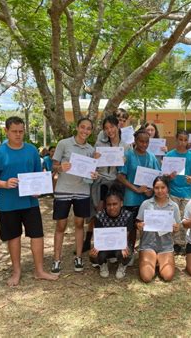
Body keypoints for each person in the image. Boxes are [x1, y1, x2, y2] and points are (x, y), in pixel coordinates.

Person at [0, 116, 57, 286]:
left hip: (30, 203)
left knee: (37, 235)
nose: (18, 135)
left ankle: (39, 271)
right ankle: (16, 271)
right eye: (14, 131)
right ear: (6, 131)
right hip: (8, 203)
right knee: (14, 237)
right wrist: (4, 183)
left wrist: (38, 190)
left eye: (21, 131)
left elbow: (38, 175)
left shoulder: (32, 150)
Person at [50, 117, 98, 275]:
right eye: (82, 127)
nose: (85, 131)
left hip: (82, 191)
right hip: (63, 190)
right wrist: (60, 168)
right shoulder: (64, 144)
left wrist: (94, 174)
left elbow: (90, 172)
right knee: (61, 226)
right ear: (77, 127)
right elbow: (54, 166)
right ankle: (57, 259)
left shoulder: (91, 150)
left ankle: (78, 257)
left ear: (91, 131)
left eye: (88, 128)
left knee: (79, 224)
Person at [83, 115, 130, 254]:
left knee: (114, 212)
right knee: (98, 211)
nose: (110, 130)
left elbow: (126, 169)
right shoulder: (100, 145)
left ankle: (115, 243)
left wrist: (124, 161)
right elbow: (92, 166)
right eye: (106, 128)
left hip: (117, 183)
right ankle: (91, 241)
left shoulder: (126, 146)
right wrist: (95, 159)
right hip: (101, 181)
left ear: (118, 126)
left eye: (112, 127)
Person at [117, 128, 161, 261]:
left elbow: (158, 176)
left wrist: (151, 190)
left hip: (147, 198)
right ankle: (129, 251)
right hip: (131, 198)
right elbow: (120, 176)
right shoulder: (128, 155)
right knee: (131, 227)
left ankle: (146, 251)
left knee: (147, 226)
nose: (144, 144)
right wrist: (136, 189)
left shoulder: (152, 157)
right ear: (135, 141)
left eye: (146, 142)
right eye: (141, 141)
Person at [136, 176, 181, 283]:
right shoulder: (146, 204)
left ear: (168, 188)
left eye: (163, 187)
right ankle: (152, 259)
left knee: (168, 276)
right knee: (146, 277)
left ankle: (158, 260)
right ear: (153, 188)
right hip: (148, 244)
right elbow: (137, 222)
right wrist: (139, 225)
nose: (160, 191)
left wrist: (176, 228)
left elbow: (177, 227)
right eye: (156, 188)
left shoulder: (173, 206)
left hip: (165, 245)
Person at [89, 185, 134, 279]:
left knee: (127, 252)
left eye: (115, 204)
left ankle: (122, 265)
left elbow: (126, 236)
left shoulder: (128, 215)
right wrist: (95, 249)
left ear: (121, 203)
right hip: (105, 245)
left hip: (119, 245)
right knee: (94, 255)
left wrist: (123, 246)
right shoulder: (99, 217)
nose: (112, 207)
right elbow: (99, 238)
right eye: (109, 204)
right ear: (105, 205)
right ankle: (103, 264)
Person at [164, 130, 191, 255]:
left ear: (188, 141)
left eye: (185, 140)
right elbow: (164, 176)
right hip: (173, 191)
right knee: (174, 218)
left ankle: (184, 242)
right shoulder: (169, 155)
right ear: (176, 139)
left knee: (185, 218)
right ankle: (175, 243)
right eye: (180, 139)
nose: (182, 142)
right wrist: (169, 177)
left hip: (188, 192)